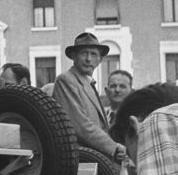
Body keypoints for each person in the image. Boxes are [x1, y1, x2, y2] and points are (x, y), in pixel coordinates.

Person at [52, 32, 127, 163]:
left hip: (95, 160)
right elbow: (81, 125)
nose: (88, 59)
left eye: (93, 54)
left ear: (100, 59)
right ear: (74, 57)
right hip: (78, 161)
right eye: (83, 53)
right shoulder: (66, 80)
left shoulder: (88, 83)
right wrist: (113, 147)